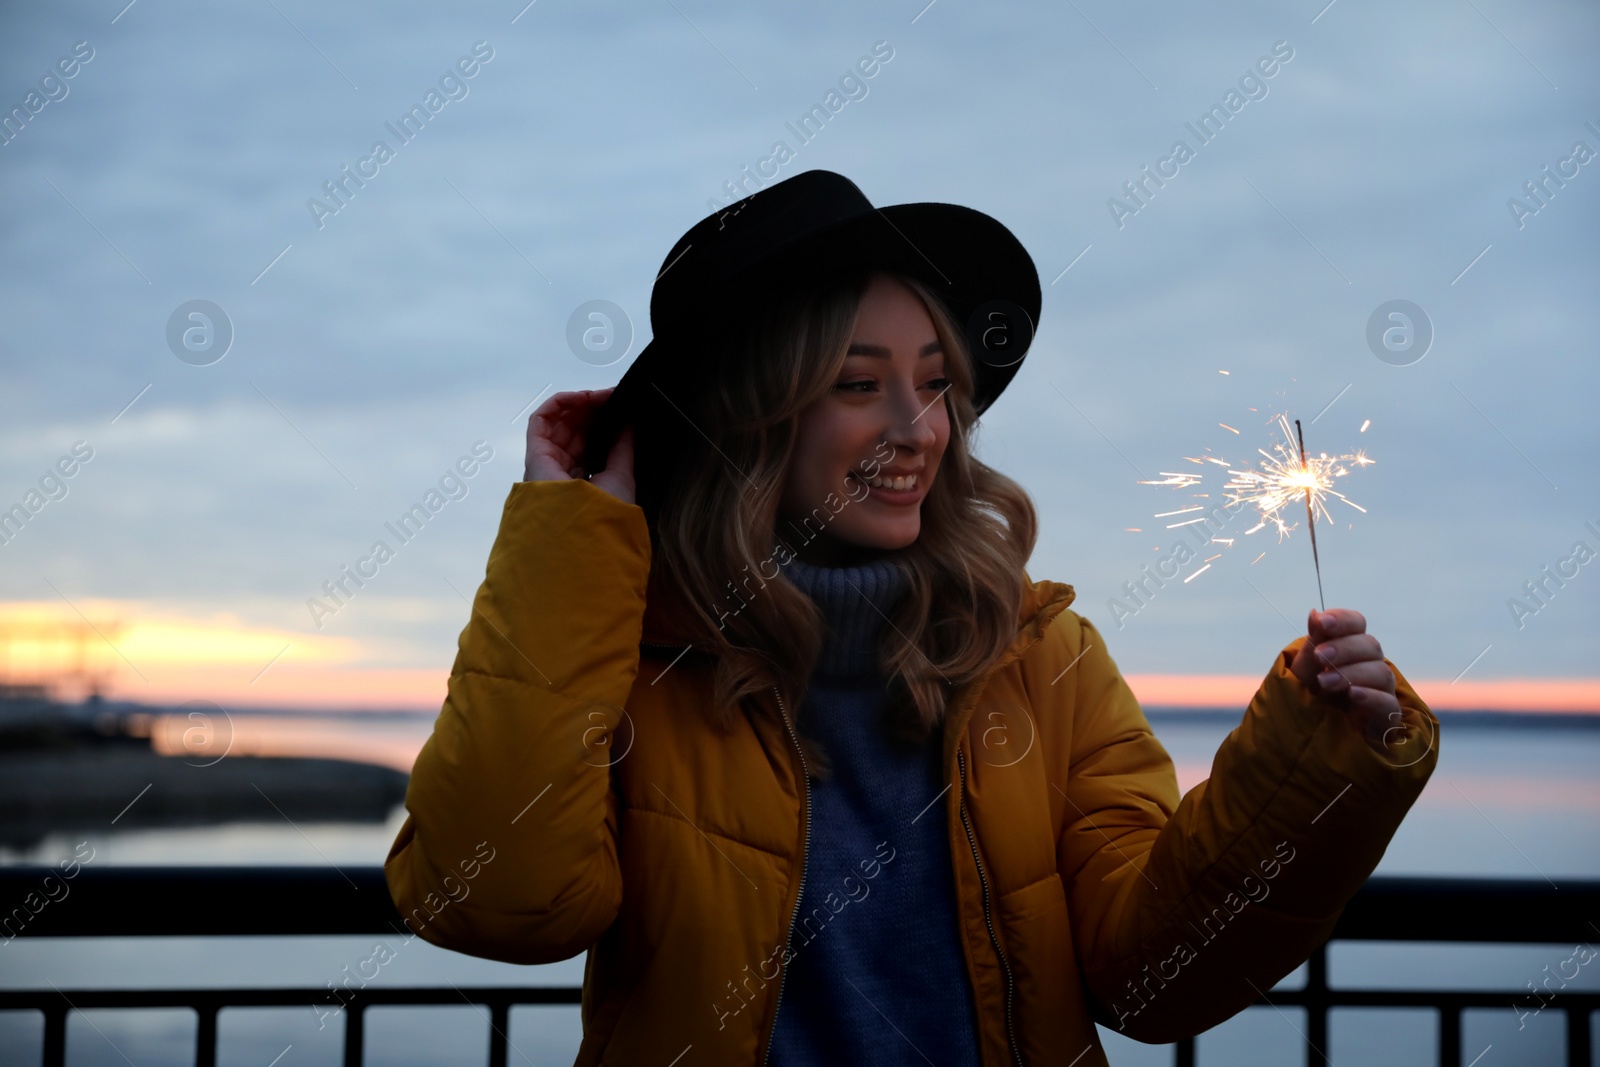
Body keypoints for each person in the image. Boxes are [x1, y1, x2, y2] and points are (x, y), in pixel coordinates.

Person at [385, 171, 1439, 1067]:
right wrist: (564, 543)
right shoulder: (638, 667)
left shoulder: (1044, 660)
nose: (918, 427)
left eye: (937, 384)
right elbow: (495, 902)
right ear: (748, 417)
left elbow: (1149, 978)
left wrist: (1313, 762)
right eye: (858, 383)